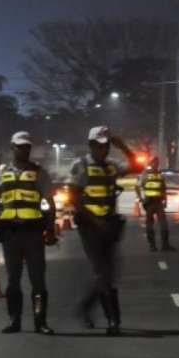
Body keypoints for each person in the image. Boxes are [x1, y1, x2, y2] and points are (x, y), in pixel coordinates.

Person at [0, 130, 58, 335]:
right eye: (20, 147)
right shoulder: (1, 174)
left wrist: (51, 229)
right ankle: (14, 320)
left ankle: (40, 322)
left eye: (27, 147)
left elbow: (50, 202)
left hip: (33, 231)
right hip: (11, 233)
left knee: (37, 279)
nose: (24, 150)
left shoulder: (38, 173)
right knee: (13, 280)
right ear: (12, 148)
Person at [71, 126, 139, 335]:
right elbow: (75, 197)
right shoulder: (80, 166)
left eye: (107, 146)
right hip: (89, 225)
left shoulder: (112, 165)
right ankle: (113, 320)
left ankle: (86, 307)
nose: (104, 149)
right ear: (91, 145)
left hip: (109, 224)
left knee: (108, 273)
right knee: (102, 271)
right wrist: (94, 219)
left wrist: (123, 147)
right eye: (100, 146)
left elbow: (136, 166)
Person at [135, 156, 175, 252]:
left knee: (164, 224)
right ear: (151, 163)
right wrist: (141, 198)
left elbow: (163, 188)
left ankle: (165, 245)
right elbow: (137, 187)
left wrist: (165, 200)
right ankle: (152, 245)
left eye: (157, 163)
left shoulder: (159, 174)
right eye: (154, 162)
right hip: (149, 203)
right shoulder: (145, 174)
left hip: (158, 202)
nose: (156, 164)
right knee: (149, 225)